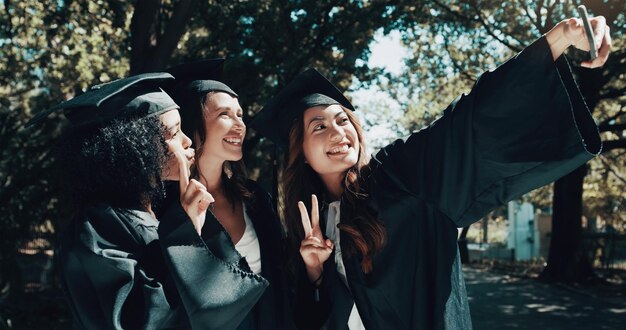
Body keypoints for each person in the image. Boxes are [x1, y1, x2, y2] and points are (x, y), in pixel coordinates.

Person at [251, 17, 611, 329]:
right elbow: (307, 319)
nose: (338, 131)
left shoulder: (398, 176)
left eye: (343, 119)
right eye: (319, 127)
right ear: (303, 156)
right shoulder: (305, 227)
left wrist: (559, 39)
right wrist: (314, 270)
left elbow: (465, 122)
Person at [27, 73, 268, 329]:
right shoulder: (94, 231)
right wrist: (186, 234)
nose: (187, 141)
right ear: (134, 149)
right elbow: (144, 320)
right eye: (174, 133)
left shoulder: (152, 212)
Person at [166, 59, 294, 329]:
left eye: (240, 115)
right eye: (225, 115)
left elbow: (280, 285)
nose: (239, 125)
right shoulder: (166, 205)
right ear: (192, 122)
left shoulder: (254, 198)